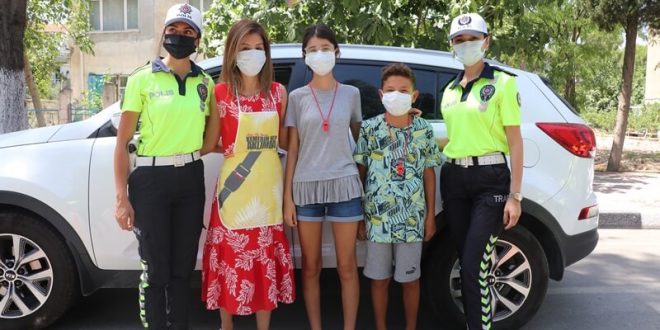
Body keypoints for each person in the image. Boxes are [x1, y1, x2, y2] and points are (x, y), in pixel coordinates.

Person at [113, 3, 218, 329]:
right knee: (156, 270)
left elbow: (211, 139)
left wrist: (182, 153)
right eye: (173, 29)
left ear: (197, 40)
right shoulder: (142, 79)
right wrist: (121, 197)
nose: (179, 36)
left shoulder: (206, 83)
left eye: (188, 32)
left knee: (182, 269)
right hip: (149, 180)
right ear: (164, 33)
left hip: (189, 178)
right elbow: (121, 142)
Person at [200, 19, 295, 330]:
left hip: (268, 194)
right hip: (233, 194)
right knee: (230, 262)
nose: (252, 54)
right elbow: (210, 142)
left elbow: (285, 142)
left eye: (258, 48)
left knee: (263, 264)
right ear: (232, 52)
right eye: (244, 48)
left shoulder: (278, 94)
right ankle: (226, 326)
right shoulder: (221, 93)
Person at [440, 13, 524, 330]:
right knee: (467, 262)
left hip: (491, 182)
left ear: (486, 41)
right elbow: (452, 138)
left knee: (475, 263)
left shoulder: (503, 83)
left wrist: (515, 195)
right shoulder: (449, 91)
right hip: (454, 181)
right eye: (459, 40)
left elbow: (515, 143)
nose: (466, 45)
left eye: (473, 38)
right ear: (452, 46)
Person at [283, 24, 363, 330]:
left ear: (337, 52)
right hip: (306, 189)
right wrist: (288, 198)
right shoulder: (297, 97)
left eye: (325, 48)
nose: (320, 54)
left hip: (345, 187)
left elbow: (356, 143)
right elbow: (293, 149)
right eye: (312, 50)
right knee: (312, 268)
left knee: (346, 267)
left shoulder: (352, 94)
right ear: (304, 56)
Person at [354, 63, 442, 330]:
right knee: (379, 280)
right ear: (381, 95)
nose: (397, 95)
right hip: (377, 218)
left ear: (414, 95)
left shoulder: (424, 129)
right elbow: (360, 173)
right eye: (390, 90)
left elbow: (429, 173)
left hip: (412, 218)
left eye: (403, 90)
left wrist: (429, 218)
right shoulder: (370, 129)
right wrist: (360, 218)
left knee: (410, 280)